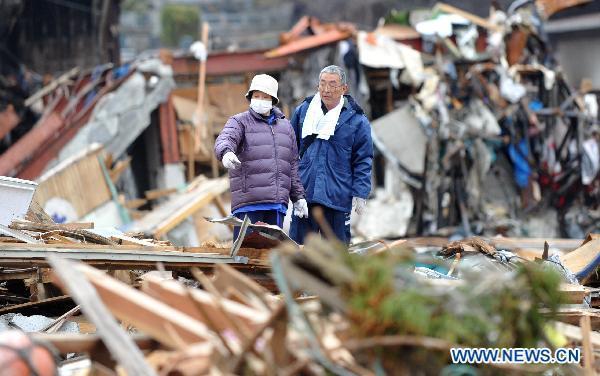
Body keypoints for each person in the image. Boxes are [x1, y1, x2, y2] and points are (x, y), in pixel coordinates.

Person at [214, 74, 308, 238]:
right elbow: (225, 139)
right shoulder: (239, 122)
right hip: (248, 204)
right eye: (256, 96)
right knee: (246, 253)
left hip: (276, 205)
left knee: (269, 257)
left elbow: (292, 165)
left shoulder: (286, 127)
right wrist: (226, 152)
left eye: (265, 96)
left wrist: (298, 196)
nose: (260, 100)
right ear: (250, 97)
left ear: (273, 99)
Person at [289, 65, 373, 245]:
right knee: (301, 253)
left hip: (337, 196)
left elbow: (363, 159)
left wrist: (360, 192)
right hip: (305, 195)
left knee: (336, 256)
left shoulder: (357, 120)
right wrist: (293, 191)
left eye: (333, 85)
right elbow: (289, 150)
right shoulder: (303, 111)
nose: (326, 90)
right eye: (323, 84)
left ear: (344, 88)